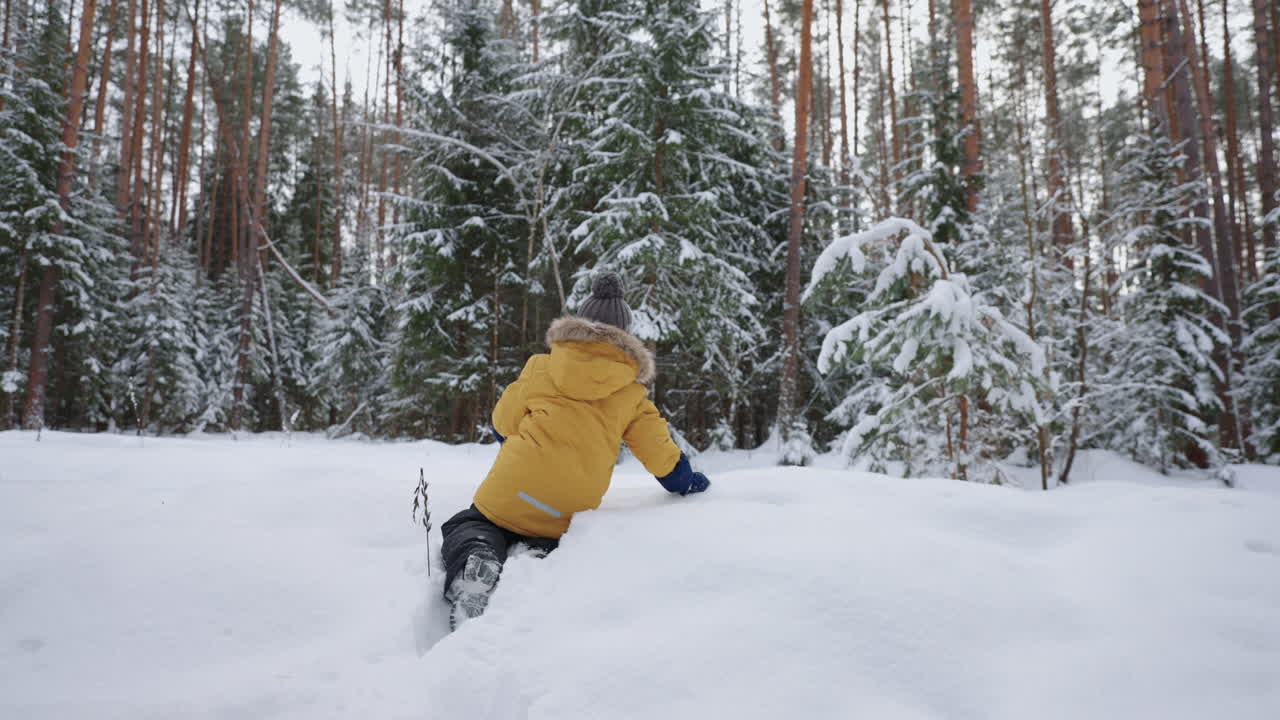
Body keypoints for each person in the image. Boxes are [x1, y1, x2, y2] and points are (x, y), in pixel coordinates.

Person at [439, 270, 711, 630]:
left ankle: (477, 555)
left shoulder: (541, 366)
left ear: (580, 324)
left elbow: (503, 423)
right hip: (565, 511)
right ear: (625, 337)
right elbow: (660, 455)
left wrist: (517, 444)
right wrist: (687, 482)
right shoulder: (630, 393)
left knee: (472, 524)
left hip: (509, 491)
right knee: (546, 538)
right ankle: (537, 557)